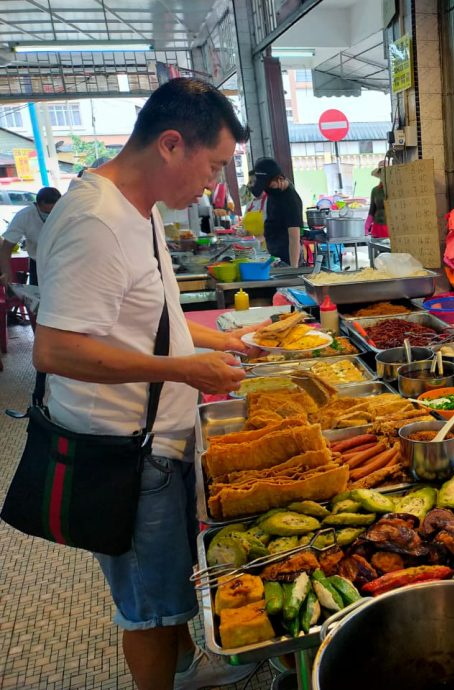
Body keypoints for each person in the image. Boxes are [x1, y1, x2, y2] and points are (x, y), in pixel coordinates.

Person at [32, 77, 259, 690]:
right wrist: (185, 369)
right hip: (124, 451)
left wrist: (218, 342)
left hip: (156, 437)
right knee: (146, 606)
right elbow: (56, 350)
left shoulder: (139, 209)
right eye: (212, 165)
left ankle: (184, 665)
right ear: (170, 144)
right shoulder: (97, 221)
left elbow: (147, 317)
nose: (212, 184)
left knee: (166, 581)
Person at [0, 186, 61, 287]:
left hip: (64, 261)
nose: (50, 215)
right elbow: (6, 247)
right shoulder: (24, 216)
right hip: (37, 264)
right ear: (37, 204)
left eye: (53, 212)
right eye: (46, 212)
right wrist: (6, 272)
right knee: (38, 297)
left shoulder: (66, 212)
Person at [249, 157, 303, 267]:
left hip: (288, 258)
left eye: (270, 185)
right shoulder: (274, 192)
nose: (267, 189)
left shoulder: (291, 200)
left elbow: (294, 238)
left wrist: (293, 269)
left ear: (279, 178)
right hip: (273, 255)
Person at [366, 160, 389, 238]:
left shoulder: (396, 189)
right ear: (379, 174)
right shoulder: (375, 190)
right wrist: (366, 226)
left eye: (386, 171)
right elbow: (372, 209)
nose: (384, 174)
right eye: (381, 171)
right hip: (377, 226)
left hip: (392, 227)